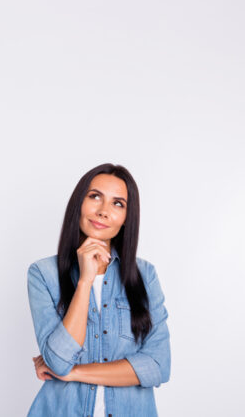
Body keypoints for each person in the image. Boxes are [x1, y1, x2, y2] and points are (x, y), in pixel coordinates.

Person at [27, 163, 170, 417]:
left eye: (118, 204)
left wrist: (73, 372)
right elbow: (58, 360)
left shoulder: (145, 276)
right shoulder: (43, 274)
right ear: (78, 204)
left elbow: (158, 365)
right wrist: (85, 281)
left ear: (127, 218)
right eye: (95, 197)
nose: (104, 211)